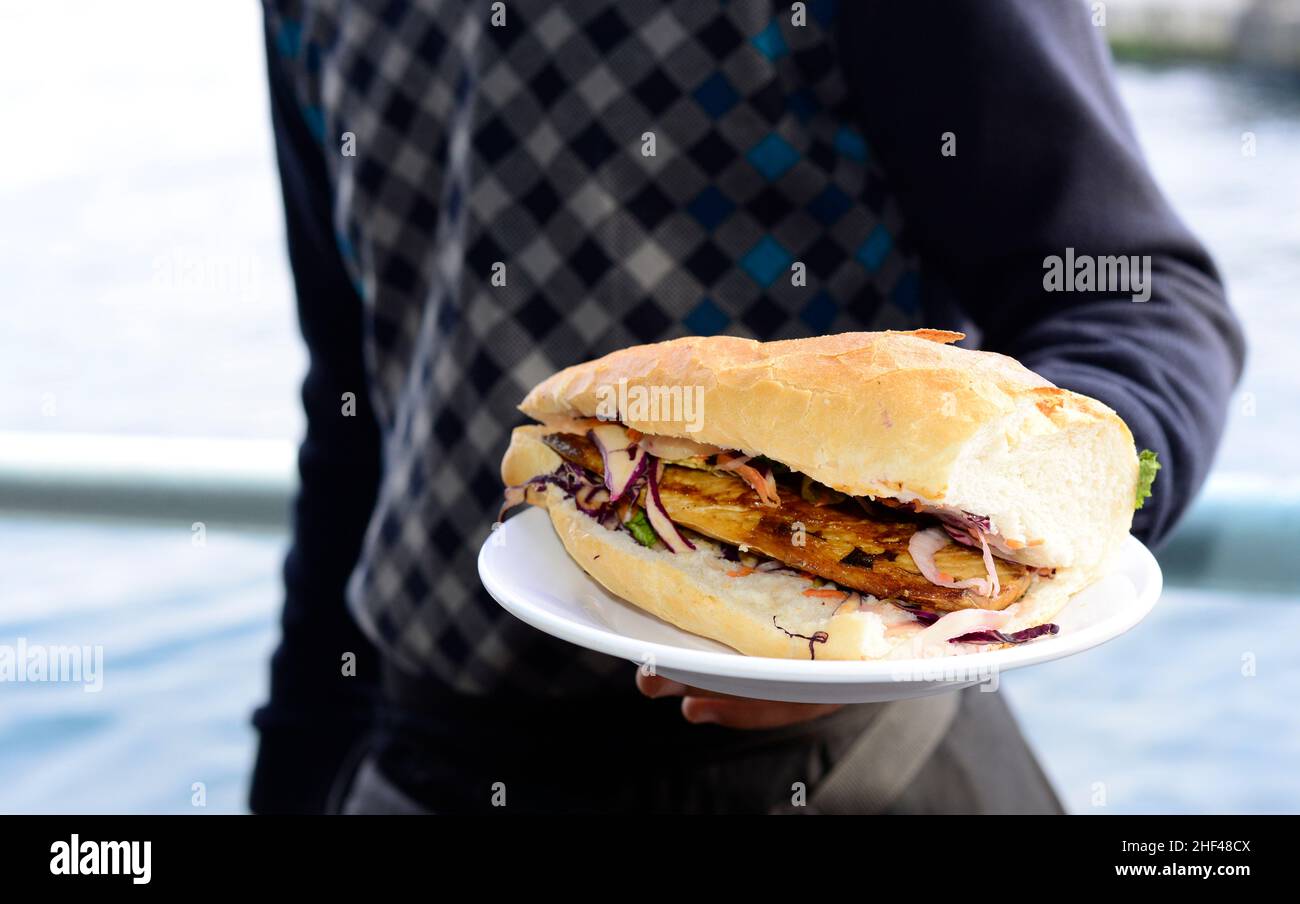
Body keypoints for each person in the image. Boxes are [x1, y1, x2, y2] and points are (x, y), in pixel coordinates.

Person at [249, 0, 1244, 814]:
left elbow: (1137, 293)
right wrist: (293, 769)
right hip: (421, 758)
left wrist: (1054, 508)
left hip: (852, 767)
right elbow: (352, 409)